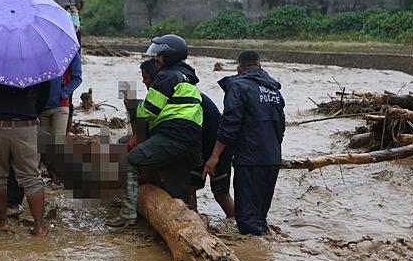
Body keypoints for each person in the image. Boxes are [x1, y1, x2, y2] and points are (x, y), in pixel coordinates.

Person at [110, 34, 203, 227]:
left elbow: (148, 111)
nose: (156, 59)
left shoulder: (166, 76)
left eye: (159, 55)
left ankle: (127, 214)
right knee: (177, 191)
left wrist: (136, 108)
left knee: (130, 161)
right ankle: (186, 224)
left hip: (172, 135)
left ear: (168, 56)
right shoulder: (188, 78)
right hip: (191, 141)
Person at [138, 58, 234, 218]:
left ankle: (239, 229)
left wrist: (214, 157)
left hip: (215, 150)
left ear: (158, 80)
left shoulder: (181, 99)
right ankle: (195, 220)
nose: (143, 82)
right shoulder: (175, 96)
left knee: (221, 195)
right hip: (200, 148)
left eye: (146, 78)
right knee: (190, 190)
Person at [204, 50, 285, 235]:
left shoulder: (239, 87)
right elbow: (281, 127)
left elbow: (229, 124)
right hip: (272, 158)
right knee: (260, 216)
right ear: (260, 66)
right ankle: (264, 256)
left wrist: (215, 155)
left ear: (239, 68)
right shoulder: (273, 89)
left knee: (247, 220)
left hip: (250, 160)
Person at [0, 79, 50, 237]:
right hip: (25, 125)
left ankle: (2, 223)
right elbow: (44, 96)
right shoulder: (36, 63)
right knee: (31, 177)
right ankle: (39, 228)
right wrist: (31, 112)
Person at [40, 53, 82, 185]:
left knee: (58, 144)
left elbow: (77, 78)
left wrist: (63, 94)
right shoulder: (40, 52)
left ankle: (58, 179)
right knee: (43, 146)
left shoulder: (71, 53)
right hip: (42, 106)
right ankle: (53, 177)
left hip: (61, 106)